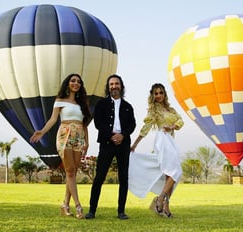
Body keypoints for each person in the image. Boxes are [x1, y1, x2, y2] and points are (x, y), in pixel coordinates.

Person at [30, 73, 91, 219]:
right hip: (65, 135)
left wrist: (87, 142)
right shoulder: (60, 101)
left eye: (78, 81)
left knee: (73, 173)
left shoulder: (82, 104)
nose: (76, 83)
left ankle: (65, 204)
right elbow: (53, 119)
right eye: (73, 80)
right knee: (70, 171)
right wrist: (42, 132)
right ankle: (78, 205)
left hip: (79, 136)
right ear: (67, 83)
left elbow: (85, 124)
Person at [85, 74, 136, 220]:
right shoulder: (101, 104)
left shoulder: (128, 107)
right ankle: (92, 211)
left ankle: (121, 211)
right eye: (111, 84)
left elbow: (132, 124)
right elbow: (98, 123)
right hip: (107, 144)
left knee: (123, 178)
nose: (114, 86)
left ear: (121, 86)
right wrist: (111, 136)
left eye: (116, 84)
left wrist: (122, 135)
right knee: (99, 177)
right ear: (108, 87)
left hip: (123, 144)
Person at [129, 83, 184, 218]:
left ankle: (165, 205)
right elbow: (146, 128)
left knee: (169, 174)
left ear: (164, 94)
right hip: (162, 140)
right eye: (156, 93)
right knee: (175, 171)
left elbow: (181, 120)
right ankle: (160, 199)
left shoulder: (171, 109)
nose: (159, 96)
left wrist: (173, 126)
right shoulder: (154, 110)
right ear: (153, 95)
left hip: (171, 140)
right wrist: (135, 144)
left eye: (161, 93)